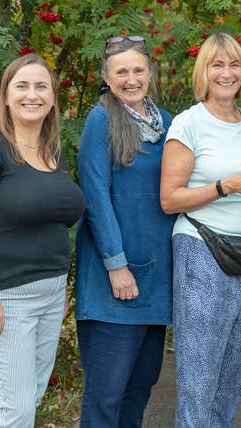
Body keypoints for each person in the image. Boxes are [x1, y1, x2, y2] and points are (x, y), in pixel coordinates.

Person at [0, 54, 85, 426]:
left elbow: (53, 224)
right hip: (4, 295)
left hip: (49, 293)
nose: (32, 94)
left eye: (41, 86)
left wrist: (59, 289)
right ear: (6, 96)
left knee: (31, 398)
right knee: (18, 409)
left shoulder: (52, 153)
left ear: (54, 97)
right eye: (22, 86)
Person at [159, 32, 241, 427]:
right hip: (201, 251)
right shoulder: (188, 123)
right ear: (203, 72)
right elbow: (169, 199)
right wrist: (227, 185)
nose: (227, 73)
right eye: (217, 65)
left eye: (235, 64)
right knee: (199, 376)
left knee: (234, 376)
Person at [74, 35, 174, 427]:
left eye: (137, 70)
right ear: (107, 77)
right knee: (106, 396)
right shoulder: (101, 119)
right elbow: (95, 196)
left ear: (149, 72)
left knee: (140, 389)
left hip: (156, 277)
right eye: (121, 72)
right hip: (113, 282)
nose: (131, 79)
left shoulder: (167, 123)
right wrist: (116, 266)